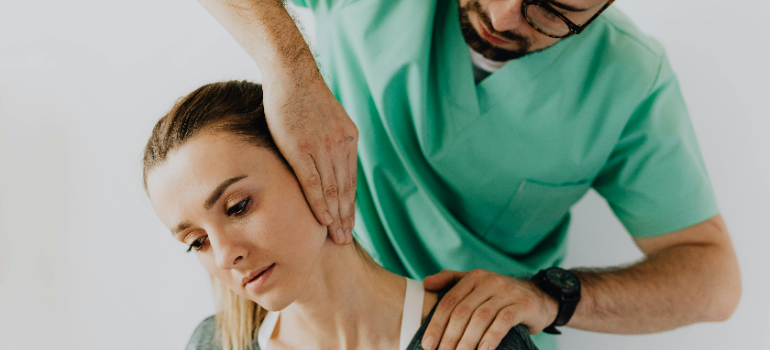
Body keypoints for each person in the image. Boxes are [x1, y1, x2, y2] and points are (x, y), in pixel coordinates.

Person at [195, 1, 742, 350]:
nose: (504, 16)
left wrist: (551, 298)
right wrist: (290, 70)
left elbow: (714, 281)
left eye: (552, 8)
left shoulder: (629, 80)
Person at [142, 80, 540, 350]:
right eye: (198, 241)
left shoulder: (478, 338)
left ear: (313, 167)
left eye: (238, 206)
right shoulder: (215, 343)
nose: (226, 255)